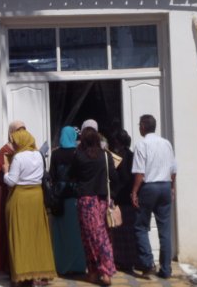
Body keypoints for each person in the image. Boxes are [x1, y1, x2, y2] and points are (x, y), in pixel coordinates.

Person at [3, 128, 57, 286]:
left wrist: (5, 171)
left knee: (20, 237)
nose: (13, 145)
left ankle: (22, 275)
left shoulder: (18, 158)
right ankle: (36, 274)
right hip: (36, 197)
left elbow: (11, 181)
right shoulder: (39, 155)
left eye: (15, 142)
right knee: (36, 237)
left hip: (20, 198)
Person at [70, 120, 118, 286]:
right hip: (102, 200)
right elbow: (114, 177)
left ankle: (99, 271)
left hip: (86, 201)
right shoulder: (105, 155)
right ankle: (100, 271)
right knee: (102, 236)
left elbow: (71, 175)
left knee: (89, 237)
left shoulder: (78, 155)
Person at [131, 114, 177, 279]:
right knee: (165, 229)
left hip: (149, 188)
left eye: (139, 125)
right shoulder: (166, 143)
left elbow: (140, 172)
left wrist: (134, 192)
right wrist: (172, 187)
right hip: (165, 186)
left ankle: (148, 263)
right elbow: (173, 169)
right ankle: (166, 269)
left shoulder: (141, 144)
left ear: (143, 127)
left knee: (140, 226)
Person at [49, 126, 86, 275]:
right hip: (75, 196)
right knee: (77, 233)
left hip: (59, 197)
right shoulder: (78, 153)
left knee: (60, 234)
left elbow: (52, 175)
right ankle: (78, 265)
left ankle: (62, 266)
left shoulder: (55, 154)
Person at [0, 120, 26, 273]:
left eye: (23, 130)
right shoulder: (4, 151)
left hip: (25, 195)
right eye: (18, 130)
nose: (21, 134)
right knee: (8, 230)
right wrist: (9, 173)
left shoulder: (26, 150)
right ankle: (8, 266)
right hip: (9, 195)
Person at [108, 128, 138, 272]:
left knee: (119, 229)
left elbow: (115, 176)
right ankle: (131, 260)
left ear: (118, 142)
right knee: (130, 230)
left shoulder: (117, 157)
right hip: (131, 196)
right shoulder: (132, 155)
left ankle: (121, 260)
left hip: (121, 196)